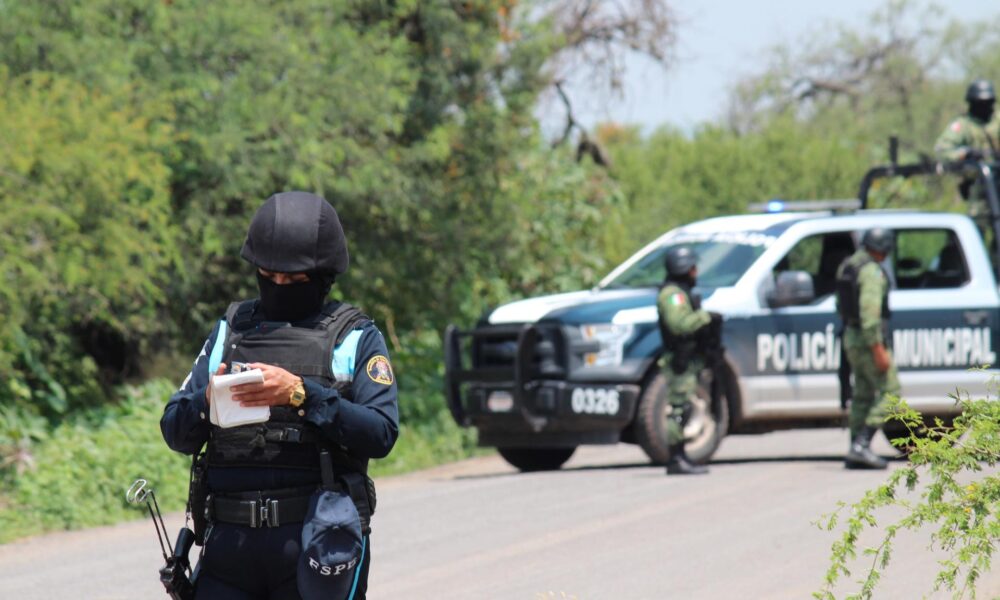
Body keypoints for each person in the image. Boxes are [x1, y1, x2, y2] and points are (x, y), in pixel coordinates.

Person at [161, 191, 399, 600]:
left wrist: (301, 395)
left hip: (315, 545)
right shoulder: (229, 331)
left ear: (323, 276)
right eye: (268, 276)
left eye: (293, 280)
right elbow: (174, 430)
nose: (278, 286)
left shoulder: (355, 336)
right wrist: (208, 400)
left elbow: (380, 433)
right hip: (227, 552)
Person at [835, 228, 899, 470]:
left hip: (851, 337)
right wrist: (878, 348)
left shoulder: (849, 266)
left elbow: (840, 304)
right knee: (891, 391)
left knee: (862, 394)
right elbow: (870, 315)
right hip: (867, 340)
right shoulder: (871, 271)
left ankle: (855, 449)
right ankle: (862, 444)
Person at [657, 246, 717, 475]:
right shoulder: (673, 295)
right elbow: (679, 325)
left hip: (688, 358)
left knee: (685, 407)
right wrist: (705, 317)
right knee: (679, 409)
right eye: (692, 266)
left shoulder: (680, 291)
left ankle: (680, 456)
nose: (696, 271)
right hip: (678, 360)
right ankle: (676, 458)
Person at [934, 79, 999, 164]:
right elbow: (942, 150)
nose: (984, 107)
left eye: (987, 103)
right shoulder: (963, 124)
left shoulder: (997, 121)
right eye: (980, 103)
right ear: (972, 103)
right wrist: (965, 154)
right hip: (973, 174)